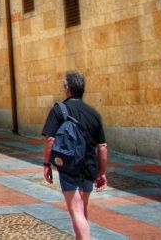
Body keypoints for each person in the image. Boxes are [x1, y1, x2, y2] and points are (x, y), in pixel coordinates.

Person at [42, 71, 108, 240]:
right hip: (89, 167)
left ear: (67, 89)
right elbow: (102, 147)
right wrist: (101, 172)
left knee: (76, 210)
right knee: (83, 207)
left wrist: (47, 165)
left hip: (69, 166)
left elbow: (50, 140)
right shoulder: (94, 114)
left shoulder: (59, 110)